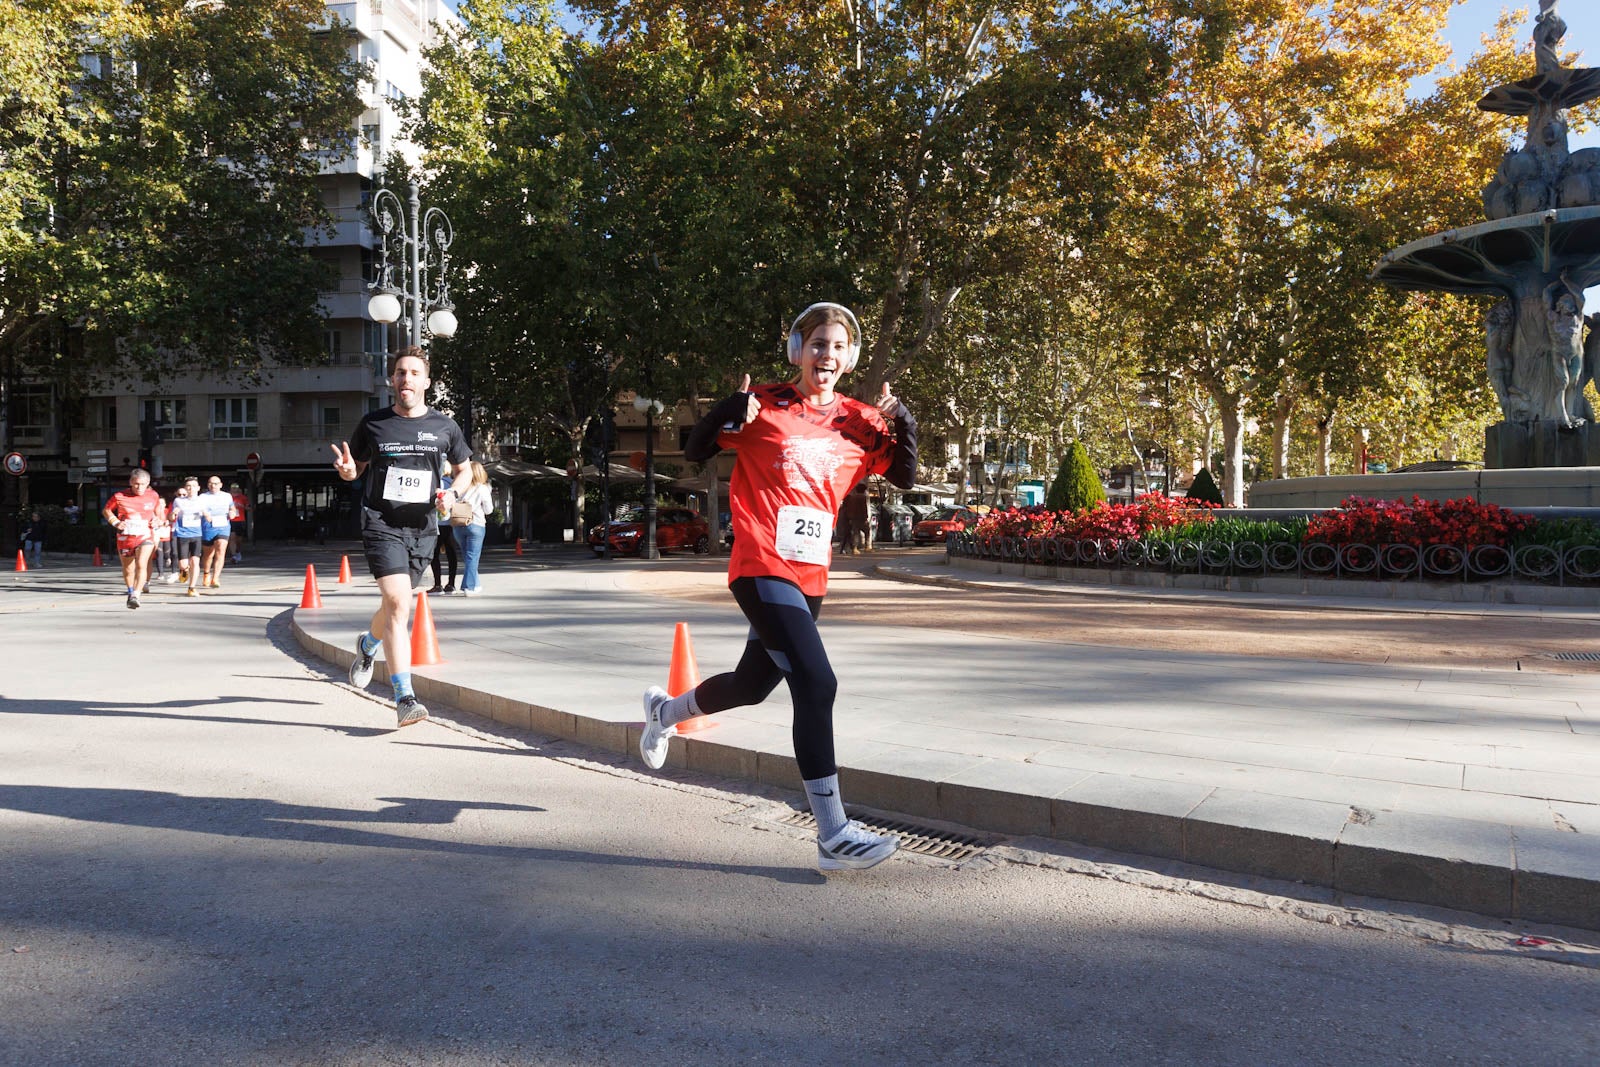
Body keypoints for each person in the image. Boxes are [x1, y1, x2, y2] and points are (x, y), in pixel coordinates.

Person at [637, 302, 918, 871]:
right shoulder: (764, 404)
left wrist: (905, 424)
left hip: (811, 574)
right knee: (816, 682)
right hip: (760, 563)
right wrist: (726, 409)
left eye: (838, 347)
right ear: (797, 350)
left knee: (751, 684)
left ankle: (664, 712)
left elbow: (905, 476)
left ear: (850, 358)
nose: (827, 355)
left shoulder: (863, 420)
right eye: (818, 344)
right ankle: (833, 833)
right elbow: (696, 450)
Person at [331, 345, 471, 728]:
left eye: (413, 373)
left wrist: (452, 494)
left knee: (396, 606)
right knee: (397, 601)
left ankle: (368, 645)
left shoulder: (445, 426)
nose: (405, 378)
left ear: (426, 382)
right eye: (400, 372)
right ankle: (404, 697)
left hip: (423, 528)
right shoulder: (374, 423)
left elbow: (464, 470)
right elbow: (356, 468)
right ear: (392, 380)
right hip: (381, 523)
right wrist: (348, 472)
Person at [103, 468, 163, 608]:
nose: (139, 487)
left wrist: (158, 521)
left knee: (142, 564)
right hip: (126, 538)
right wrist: (115, 522)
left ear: (148, 483)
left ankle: (136, 595)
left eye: (143, 484)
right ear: (130, 482)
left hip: (145, 536)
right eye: (136, 484)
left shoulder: (153, 495)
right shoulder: (119, 496)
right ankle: (130, 590)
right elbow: (106, 510)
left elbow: (159, 514)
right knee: (128, 568)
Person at [454, 460, 493, 596]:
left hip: (458, 524)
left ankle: (476, 584)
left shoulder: (459, 488)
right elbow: (488, 510)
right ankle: (469, 587)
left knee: (467, 556)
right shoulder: (482, 488)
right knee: (472, 557)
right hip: (476, 524)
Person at [196, 475, 237, 588]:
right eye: (211, 483)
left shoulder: (227, 496)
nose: (213, 486)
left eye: (215, 483)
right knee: (208, 554)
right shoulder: (203, 497)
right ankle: (206, 573)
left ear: (220, 485)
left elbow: (232, 508)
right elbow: (198, 509)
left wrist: (232, 513)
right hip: (208, 527)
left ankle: (216, 578)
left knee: (220, 549)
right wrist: (205, 514)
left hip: (223, 526)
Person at [169, 478, 207, 598]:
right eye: (188, 486)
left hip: (196, 534)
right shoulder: (178, 501)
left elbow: (209, 517)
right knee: (183, 564)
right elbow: (170, 518)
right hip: (183, 534)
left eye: (194, 486)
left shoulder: (202, 501)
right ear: (185, 488)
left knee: (195, 561)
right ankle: (184, 570)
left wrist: (206, 514)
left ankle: (192, 587)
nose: (191, 488)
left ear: (198, 488)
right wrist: (173, 513)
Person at [229, 483, 249, 563]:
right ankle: (233, 555)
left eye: (236, 488)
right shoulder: (227, 497)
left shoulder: (243, 497)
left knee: (239, 539)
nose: (234, 489)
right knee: (232, 537)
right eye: (233, 488)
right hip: (230, 520)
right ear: (230, 489)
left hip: (240, 520)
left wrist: (242, 506)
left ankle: (238, 551)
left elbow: (249, 508)